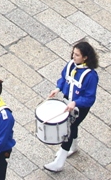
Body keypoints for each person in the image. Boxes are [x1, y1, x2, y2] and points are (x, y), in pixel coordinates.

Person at [43, 41, 99, 172]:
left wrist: (76, 103)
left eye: (77, 55)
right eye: (73, 53)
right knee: (72, 127)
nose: (74, 57)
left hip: (80, 108)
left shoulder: (91, 76)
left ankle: (59, 162)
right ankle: (73, 147)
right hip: (67, 102)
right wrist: (58, 88)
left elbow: (90, 98)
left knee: (68, 129)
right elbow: (63, 78)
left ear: (85, 57)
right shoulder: (70, 65)